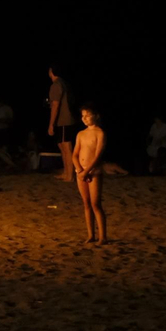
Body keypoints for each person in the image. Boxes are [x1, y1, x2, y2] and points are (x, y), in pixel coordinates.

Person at [72, 103, 107, 245]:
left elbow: (97, 156)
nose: (84, 118)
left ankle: (103, 236)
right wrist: (79, 170)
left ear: (96, 116)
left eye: (87, 115)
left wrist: (87, 171)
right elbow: (75, 154)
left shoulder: (100, 133)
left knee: (95, 204)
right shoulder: (80, 134)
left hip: (94, 172)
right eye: (82, 116)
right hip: (81, 172)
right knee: (86, 204)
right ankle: (91, 235)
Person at [47, 66, 74, 182]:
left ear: (51, 72)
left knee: (66, 147)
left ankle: (70, 175)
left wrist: (51, 124)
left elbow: (55, 105)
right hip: (63, 120)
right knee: (62, 146)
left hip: (63, 120)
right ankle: (66, 172)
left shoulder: (56, 85)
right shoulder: (64, 83)